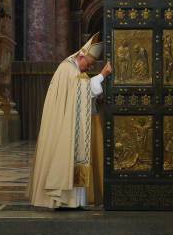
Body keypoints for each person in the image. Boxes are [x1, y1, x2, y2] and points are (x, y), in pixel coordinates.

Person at [28, 32, 112, 209]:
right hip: (64, 126)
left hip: (71, 123)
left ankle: (74, 201)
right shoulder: (68, 69)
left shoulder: (73, 70)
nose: (88, 68)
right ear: (81, 56)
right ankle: (63, 200)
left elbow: (81, 92)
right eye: (88, 64)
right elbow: (83, 89)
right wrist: (103, 75)